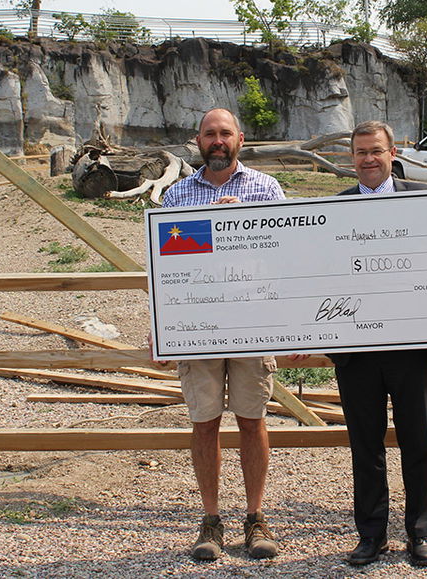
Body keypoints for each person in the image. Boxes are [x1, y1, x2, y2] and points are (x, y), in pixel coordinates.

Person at [330, 120, 427, 567]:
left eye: (375, 151)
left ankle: (419, 534)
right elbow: (319, 275)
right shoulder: (335, 209)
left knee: (418, 443)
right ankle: (371, 536)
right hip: (356, 352)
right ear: (351, 159)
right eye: (359, 152)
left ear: (393, 153)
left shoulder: (423, 200)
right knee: (364, 446)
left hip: (411, 346)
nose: (368, 159)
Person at [161, 108, 286, 561]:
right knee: (205, 421)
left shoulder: (266, 189)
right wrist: (165, 331)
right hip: (199, 326)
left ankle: (255, 517)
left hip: (252, 321)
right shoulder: (177, 196)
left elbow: (285, 255)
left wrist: (244, 222)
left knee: (252, 420)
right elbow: (165, 269)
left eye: (225, 133)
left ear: (241, 138)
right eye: (210, 134)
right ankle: (210, 520)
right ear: (198, 140)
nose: (218, 140)